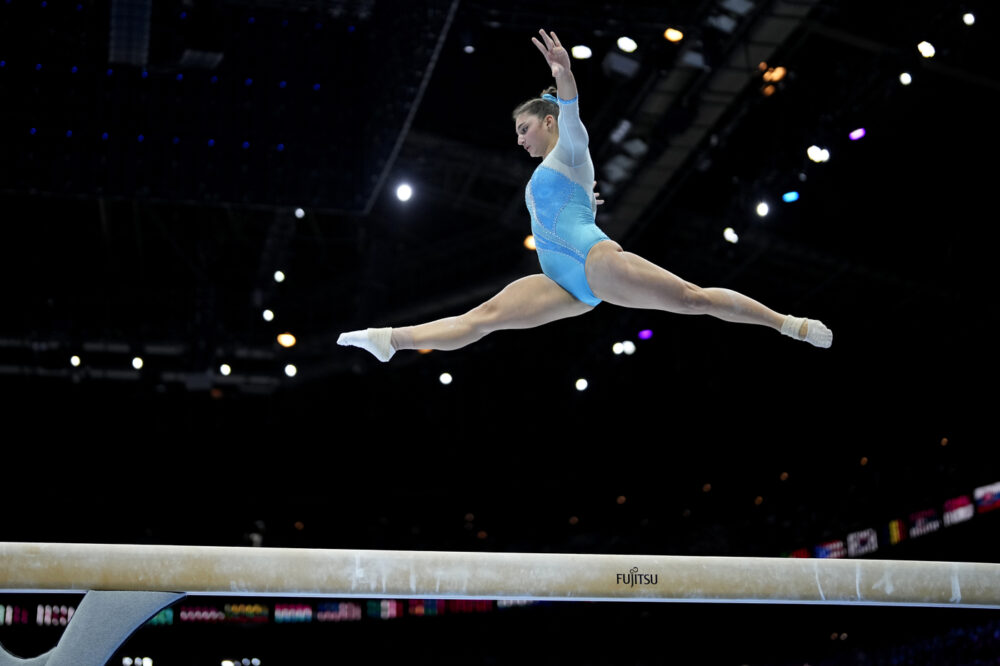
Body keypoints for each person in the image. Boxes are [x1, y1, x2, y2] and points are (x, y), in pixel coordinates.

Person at [338, 29, 832, 362]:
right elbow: (565, 205)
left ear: (548, 122)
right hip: (560, 281)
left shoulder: (571, 148)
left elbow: (571, 109)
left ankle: (788, 323)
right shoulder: (561, 170)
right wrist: (584, 203)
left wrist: (562, 72)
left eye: (523, 127)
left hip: (595, 263)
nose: (519, 139)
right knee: (481, 320)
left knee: (691, 299)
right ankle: (391, 340)